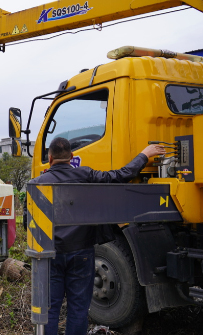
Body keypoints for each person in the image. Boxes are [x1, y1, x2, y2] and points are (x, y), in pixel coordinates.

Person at [30, 137, 166, 335]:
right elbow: (120, 176)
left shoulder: (37, 184)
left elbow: (30, 223)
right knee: (78, 309)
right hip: (81, 252)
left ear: (49, 158)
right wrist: (144, 155)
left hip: (50, 255)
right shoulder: (86, 175)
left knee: (50, 309)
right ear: (72, 157)